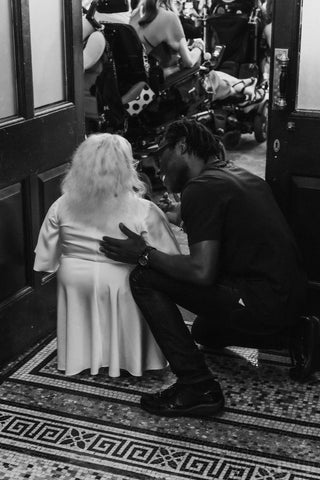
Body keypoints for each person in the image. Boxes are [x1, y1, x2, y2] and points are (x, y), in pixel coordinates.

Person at [99, 118, 308, 418]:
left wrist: (143, 253)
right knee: (204, 331)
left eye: (162, 154)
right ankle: (295, 334)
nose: (159, 168)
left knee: (144, 278)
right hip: (285, 298)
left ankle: (197, 386)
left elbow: (201, 271)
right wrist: (182, 218)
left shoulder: (201, 188)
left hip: (261, 301)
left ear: (182, 145)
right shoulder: (236, 174)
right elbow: (232, 233)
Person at [33, 133, 180, 377]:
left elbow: (46, 258)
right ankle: (133, 360)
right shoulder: (144, 209)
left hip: (75, 279)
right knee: (140, 282)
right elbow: (171, 259)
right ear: (126, 168)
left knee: (79, 277)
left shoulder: (61, 204)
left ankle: (83, 357)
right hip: (124, 282)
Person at [130, 0, 204, 78]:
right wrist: (199, 46)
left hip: (141, 79)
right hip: (164, 80)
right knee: (211, 76)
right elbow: (189, 62)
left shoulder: (135, 13)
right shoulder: (169, 17)